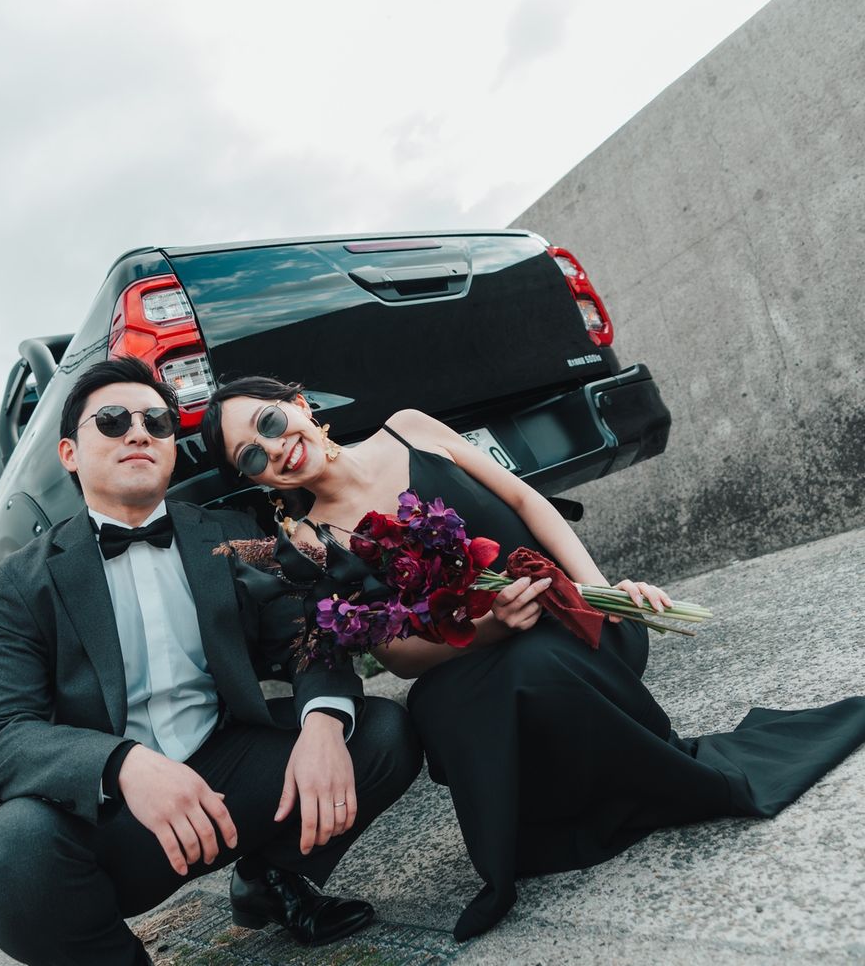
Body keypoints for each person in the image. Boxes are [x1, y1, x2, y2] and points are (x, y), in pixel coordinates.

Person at [202, 376, 865, 943]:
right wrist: (487, 627)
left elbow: (524, 499)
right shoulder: (309, 543)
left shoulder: (409, 428)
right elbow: (397, 657)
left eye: (269, 422)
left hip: (572, 620)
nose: (273, 447)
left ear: (297, 403)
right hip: (473, 656)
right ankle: (538, 832)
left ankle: (638, 785)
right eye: (251, 456)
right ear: (256, 480)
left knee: (536, 668)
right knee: (441, 704)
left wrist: (600, 592)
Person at [0, 357, 423, 966]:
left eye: (156, 422)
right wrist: (121, 764)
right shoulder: (21, 581)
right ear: (70, 452)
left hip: (229, 773)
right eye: (113, 420)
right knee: (10, 859)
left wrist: (321, 726)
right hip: (114, 816)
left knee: (380, 733)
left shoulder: (231, 533)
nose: (138, 432)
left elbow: (306, 635)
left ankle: (271, 880)